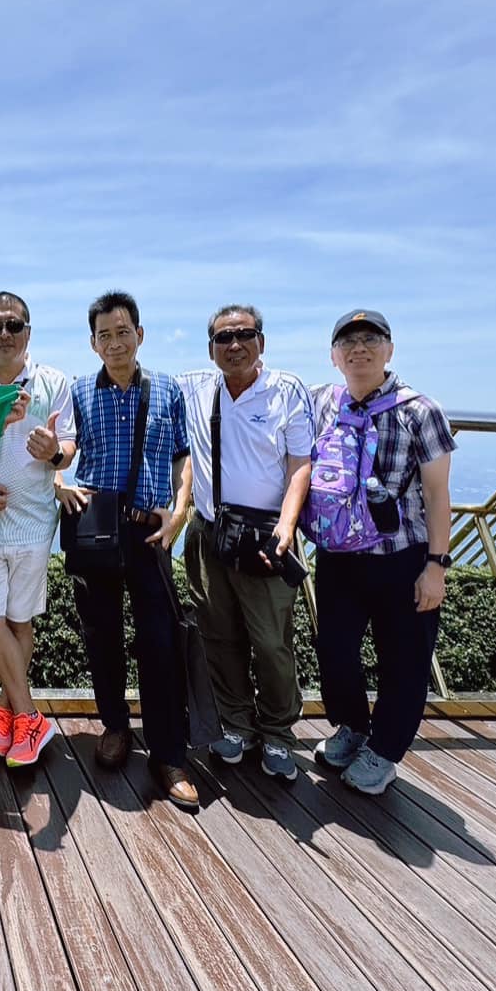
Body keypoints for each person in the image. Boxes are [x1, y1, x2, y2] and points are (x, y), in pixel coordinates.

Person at [58, 290, 217, 808]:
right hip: (97, 528)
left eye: (122, 332)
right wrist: (59, 481)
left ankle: (168, 754)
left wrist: (179, 510)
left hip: (151, 533)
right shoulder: (80, 391)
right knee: (101, 634)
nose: (114, 342)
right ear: (93, 343)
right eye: (104, 335)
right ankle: (115, 726)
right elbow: (63, 449)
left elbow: (182, 457)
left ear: (140, 335)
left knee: (160, 641)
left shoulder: (167, 389)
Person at [309, 309, 454, 795]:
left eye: (371, 339)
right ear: (333, 356)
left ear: (389, 350)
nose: (359, 349)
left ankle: (386, 750)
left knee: (405, 658)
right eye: (348, 342)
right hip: (337, 554)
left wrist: (436, 566)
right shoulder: (323, 403)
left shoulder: (420, 411)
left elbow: (437, 494)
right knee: (334, 649)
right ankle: (352, 727)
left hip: (402, 555)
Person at [176, 304, 312, 781]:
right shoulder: (195, 387)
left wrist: (287, 527)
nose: (234, 345)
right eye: (223, 338)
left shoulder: (285, 390)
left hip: (266, 537)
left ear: (261, 342)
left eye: (244, 335)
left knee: (271, 642)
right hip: (210, 531)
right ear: (210, 348)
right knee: (218, 634)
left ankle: (278, 732)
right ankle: (236, 723)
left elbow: (300, 464)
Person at [0, 291, 76, 767]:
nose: (5, 334)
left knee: (20, 621)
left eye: (14, 325)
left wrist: (53, 453)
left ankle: (6, 715)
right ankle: (30, 715)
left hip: (34, 524)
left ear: (28, 331)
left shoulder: (53, 382)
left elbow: (68, 448)